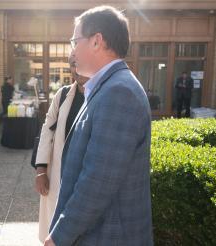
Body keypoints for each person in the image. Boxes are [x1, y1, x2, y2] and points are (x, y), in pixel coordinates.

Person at [45, 6, 153, 245]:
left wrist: (58, 237)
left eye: (75, 41)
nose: (72, 50)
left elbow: (97, 182)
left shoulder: (118, 92)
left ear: (97, 41)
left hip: (108, 236)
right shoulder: (107, 86)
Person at [35, 54, 88, 242]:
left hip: (86, 175)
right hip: (58, 173)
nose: (77, 69)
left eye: (81, 63)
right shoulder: (63, 94)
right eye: (73, 65)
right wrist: (41, 171)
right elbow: (46, 131)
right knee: (55, 224)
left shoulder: (101, 95)